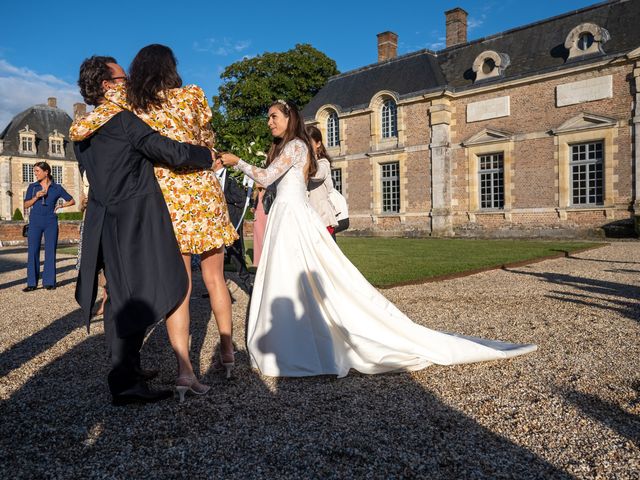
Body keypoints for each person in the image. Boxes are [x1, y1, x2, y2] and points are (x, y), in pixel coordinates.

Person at [221, 100, 537, 377]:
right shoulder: (291, 147)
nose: (270, 122)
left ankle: (298, 344)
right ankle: (295, 340)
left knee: (300, 277)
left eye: (274, 116)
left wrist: (238, 162)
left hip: (292, 217)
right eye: (269, 117)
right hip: (289, 215)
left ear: (290, 118)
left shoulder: (296, 146)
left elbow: (265, 177)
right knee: (291, 279)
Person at [70, 56, 216, 405]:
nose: (128, 83)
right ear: (107, 85)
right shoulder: (121, 121)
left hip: (104, 221)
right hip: (134, 218)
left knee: (121, 293)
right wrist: (206, 155)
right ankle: (125, 383)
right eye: (122, 79)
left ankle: (129, 370)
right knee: (131, 295)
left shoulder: (83, 130)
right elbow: (169, 151)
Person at [106, 44, 238, 389]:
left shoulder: (134, 105)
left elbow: (100, 113)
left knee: (180, 284)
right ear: (171, 67)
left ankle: (184, 371)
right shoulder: (193, 95)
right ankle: (227, 352)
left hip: (168, 198)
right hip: (203, 191)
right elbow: (207, 140)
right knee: (215, 279)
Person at [23, 161, 75, 291]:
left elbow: (72, 200)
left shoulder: (57, 188)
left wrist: (61, 206)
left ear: (46, 172)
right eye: (34, 171)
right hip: (35, 221)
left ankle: (49, 282)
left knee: (50, 251)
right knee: (33, 251)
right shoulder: (33, 187)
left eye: (37, 171)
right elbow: (25, 205)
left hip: (51, 221)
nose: (35, 174)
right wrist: (36, 197)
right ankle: (31, 283)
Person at [213, 157, 253, 293]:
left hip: (231, 221)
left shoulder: (232, 177)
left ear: (218, 161)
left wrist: (221, 196)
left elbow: (242, 199)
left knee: (236, 253)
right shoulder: (208, 176)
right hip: (214, 220)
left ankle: (248, 284)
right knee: (214, 256)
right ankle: (220, 289)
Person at [306, 126, 339, 239]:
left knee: (328, 256)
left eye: (308, 143)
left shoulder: (323, 163)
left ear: (318, 143)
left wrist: (306, 160)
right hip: (309, 219)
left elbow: (317, 175)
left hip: (323, 219)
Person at [251, 183, 268, 266]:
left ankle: (266, 260)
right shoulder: (255, 193)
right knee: (258, 239)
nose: (256, 183)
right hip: (258, 216)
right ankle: (258, 262)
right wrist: (253, 209)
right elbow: (254, 205)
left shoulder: (269, 192)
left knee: (265, 239)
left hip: (266, 216)